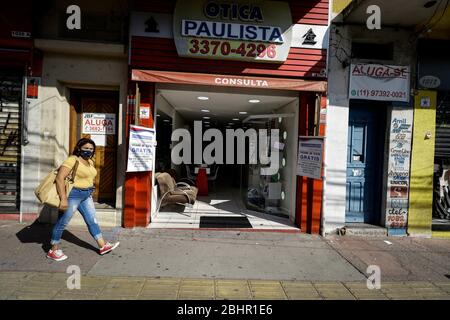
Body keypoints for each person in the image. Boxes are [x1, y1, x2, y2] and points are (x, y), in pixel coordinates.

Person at [46, 138, 119, 261]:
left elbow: (88, 177)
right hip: (73, 195)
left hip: (86, 195)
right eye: (86, 148)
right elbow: (59, 178)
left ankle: (102, 246)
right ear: (79, 148)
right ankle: (53, 250)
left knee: (92, 220)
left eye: (91, 149)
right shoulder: (72, 160)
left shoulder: (89, 161)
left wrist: (90, 189)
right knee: (62, 223)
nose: (88, 151)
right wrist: (63, 199)